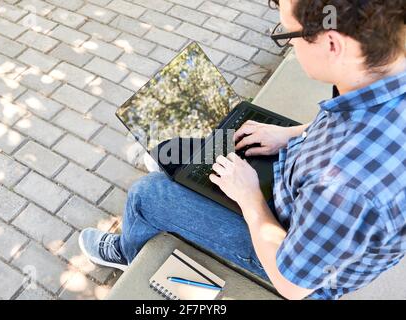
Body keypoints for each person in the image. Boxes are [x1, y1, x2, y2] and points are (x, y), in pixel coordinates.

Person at [79, 0, 406, 299]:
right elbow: (351, 118)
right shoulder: (384, 74)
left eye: (288, 34)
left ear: (332, 43)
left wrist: (248, 195)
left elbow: (291, 283)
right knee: (185, 152)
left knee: (147, 195)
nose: (289, 43)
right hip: (303, 196)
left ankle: (127, 253)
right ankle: (185, 175)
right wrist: (290, 134)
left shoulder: (345, 188)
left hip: (291, 247)